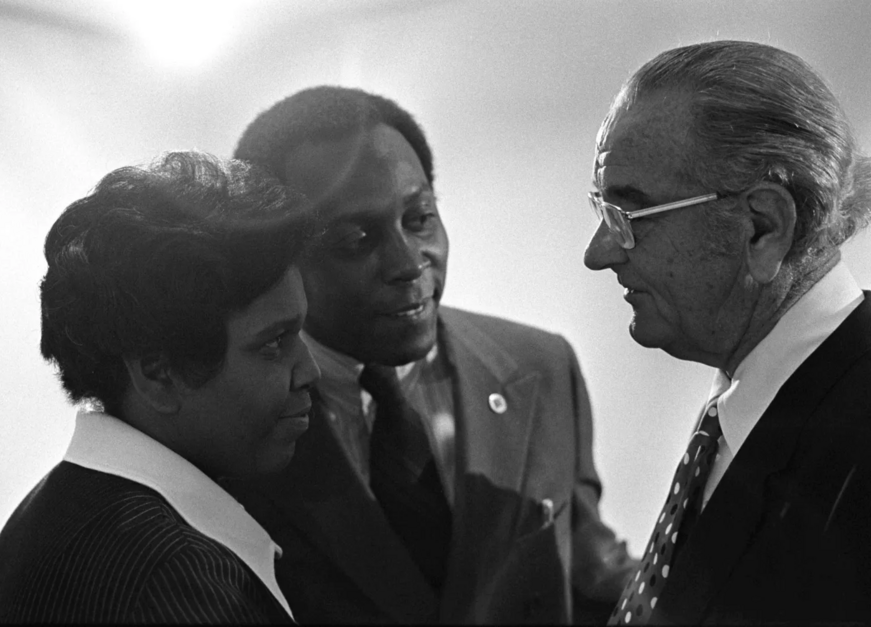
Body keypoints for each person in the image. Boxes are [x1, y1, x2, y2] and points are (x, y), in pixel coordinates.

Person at [220, 86, 637, 624]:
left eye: (419, 218)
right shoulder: (235, 418)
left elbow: (590, 572)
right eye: (357, 238)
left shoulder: (539, 366)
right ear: (275, 258)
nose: (408, 262)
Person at [583, 40, 871, 625]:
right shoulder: (747, 407)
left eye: (626, 217)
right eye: (600, 211)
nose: (598, 255)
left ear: (762, 228)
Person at [0, 152, 321, 623]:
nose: (311, 369)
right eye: (275, 343)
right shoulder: (177, 577)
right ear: (159, 374)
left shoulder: (66, 507)